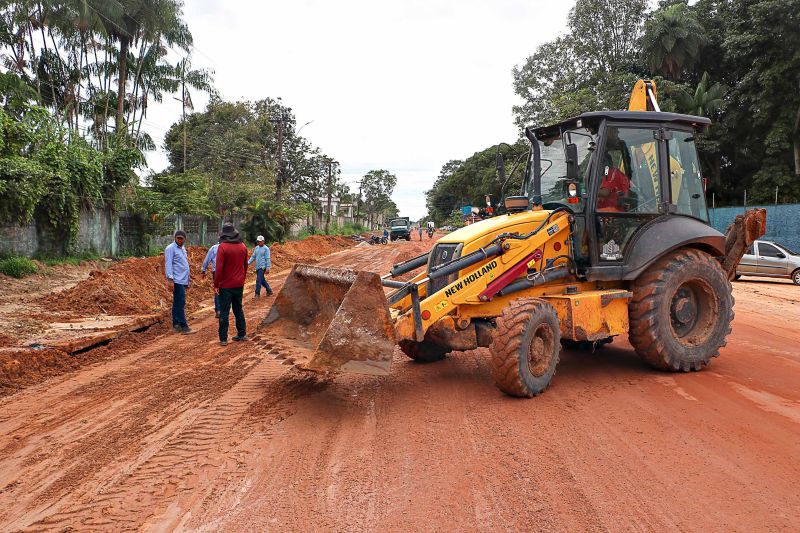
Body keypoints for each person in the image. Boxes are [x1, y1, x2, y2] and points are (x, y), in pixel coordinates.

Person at [214, 223, 249, 346]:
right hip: (239, 284)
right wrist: (242, 279)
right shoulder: (243, 246)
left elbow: (219, 268)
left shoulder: (222, 247)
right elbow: (246, 265)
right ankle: (242, 333)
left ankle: (223, 338)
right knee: (238, 309)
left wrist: (216, 284)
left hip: (225, 285)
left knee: (224, 311)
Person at [164, 230, 195, 334]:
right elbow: (168, 264)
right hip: (176, 280)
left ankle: (176, 324)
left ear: (185, 239)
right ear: (175, 238)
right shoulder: (170, 249)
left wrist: (187, 280)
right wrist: (170, 280)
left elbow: (184, 264)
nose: (180, 240)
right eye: (178, 238)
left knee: (178, 302)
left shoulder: (182, 249)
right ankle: (183, 325)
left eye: (182, 238)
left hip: (182, 279)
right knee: (181, 301)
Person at [201, 241, 220, 318]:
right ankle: (222, 309)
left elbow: (207, 259)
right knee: (225, 290)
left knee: (217, 290)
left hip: (216, 272)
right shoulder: (229, 247)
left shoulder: (214, 248)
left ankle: (218, 310)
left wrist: (203, 270)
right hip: (225, 272)